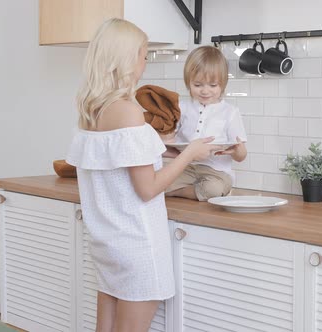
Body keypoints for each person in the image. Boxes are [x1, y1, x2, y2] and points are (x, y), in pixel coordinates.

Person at [66, 19, 219, 332]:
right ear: (125, 59)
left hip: (108, 242)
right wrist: (190, 154)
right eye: (143, 55)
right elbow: (147, 189)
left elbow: (118, 158)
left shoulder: (92, 110)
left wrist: (164, 150)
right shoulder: (128, 109)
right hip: (136, 244)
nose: (145, 62)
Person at [165, 45, 248, 201]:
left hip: (216, 171)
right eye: (198, 85)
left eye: (212, 85)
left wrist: (238, 151)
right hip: (185, 167)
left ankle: (176, 192)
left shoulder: (230, 112)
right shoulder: (182, 108)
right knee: (157, 176)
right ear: (188, 82)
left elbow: (241, 156)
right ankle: (191, 191)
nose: (205, 91)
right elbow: (170, 138)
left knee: (213, 189)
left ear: (223, 84)